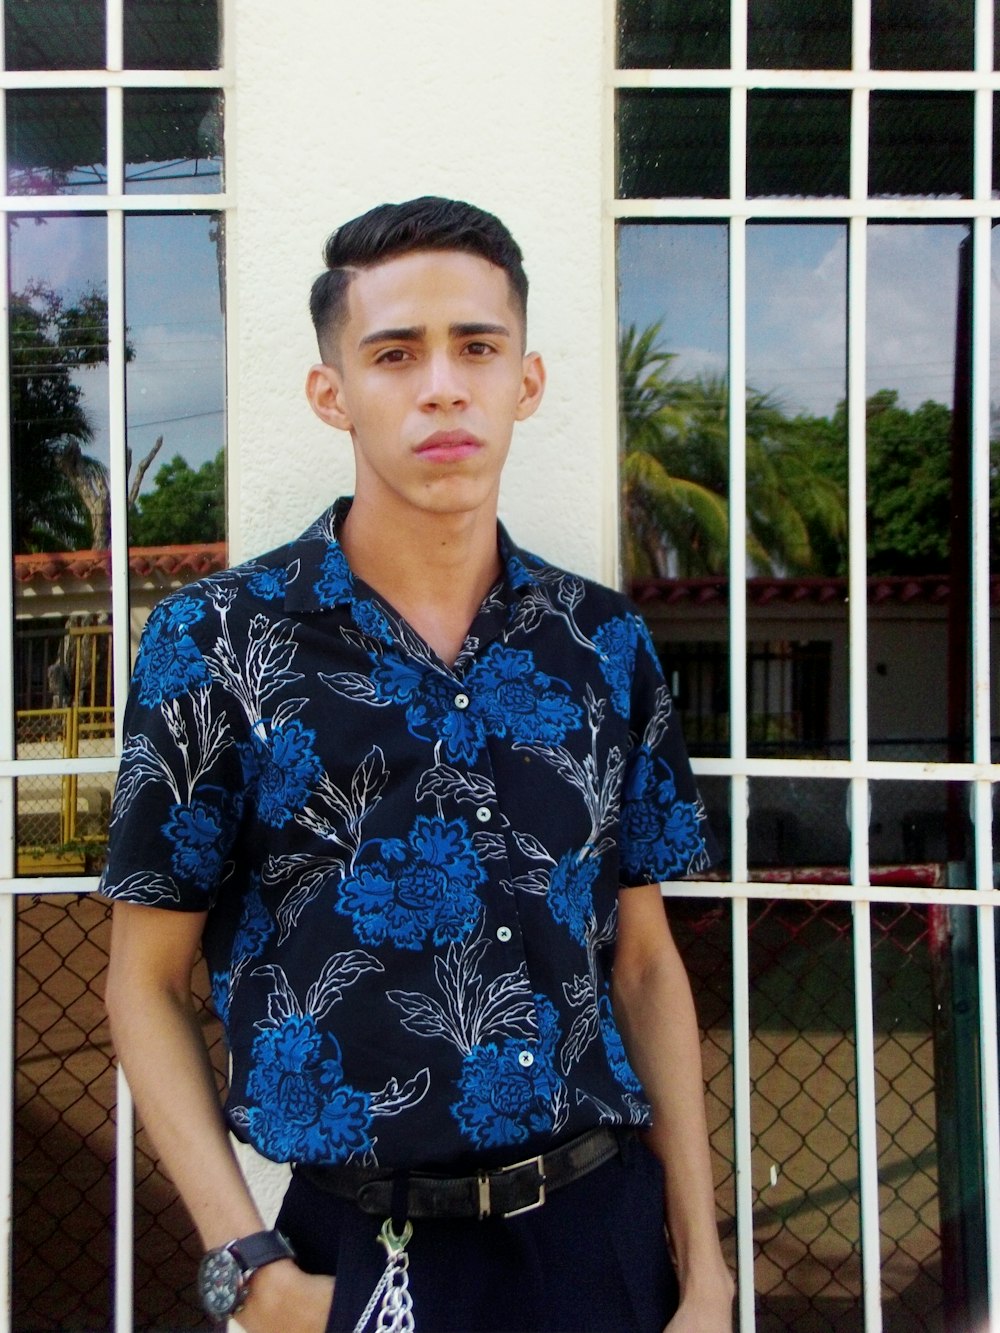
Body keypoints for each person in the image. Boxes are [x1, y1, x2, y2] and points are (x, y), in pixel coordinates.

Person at [102, 196, 735, 1333]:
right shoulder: (214, 643)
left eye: (476, 348)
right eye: (395, 354)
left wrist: (705, 1268)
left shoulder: (602, 644)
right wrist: (246, 1267)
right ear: (331, 392)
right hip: (355, 1253)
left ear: (524, 382)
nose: (442, 385)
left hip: (597, 1239)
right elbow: (143, 981)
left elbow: (642, 962)